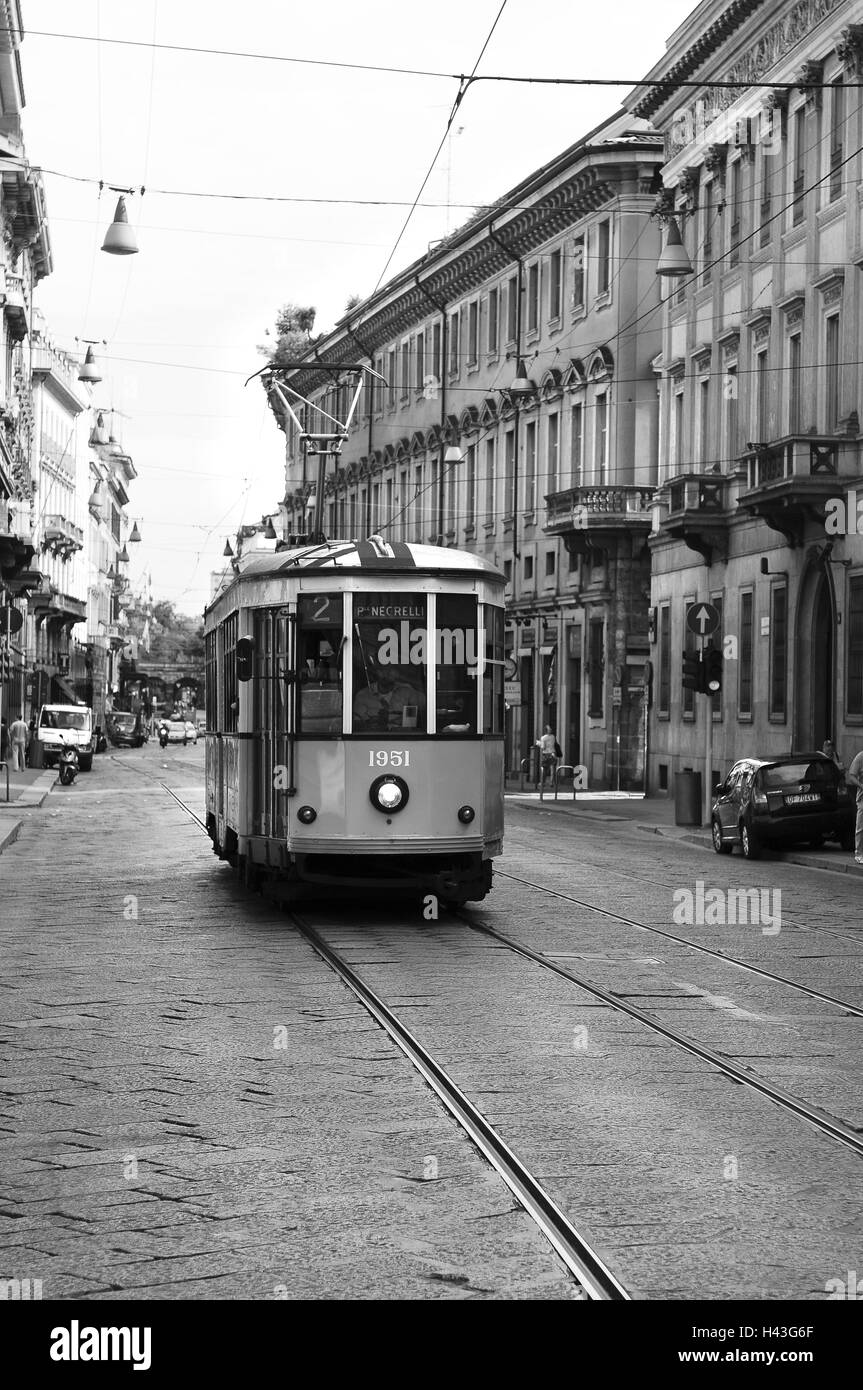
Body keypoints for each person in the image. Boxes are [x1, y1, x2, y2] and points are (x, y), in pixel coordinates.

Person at [354, 665, 425, 730]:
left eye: (391, 669)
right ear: (376, 672)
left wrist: (405, 719)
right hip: (374, 740)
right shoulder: (363, 695)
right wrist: (370, 723)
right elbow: (357, 724)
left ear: (397, 672)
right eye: (382, 669)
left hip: (404, 740)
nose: (386, 673)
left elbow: (428, 707)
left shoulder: (407, 691)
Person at [847, 744, 863, 866]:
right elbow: (851, 776)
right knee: (861, 826)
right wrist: (861, 785)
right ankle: (859, 853)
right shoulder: (860, 757)